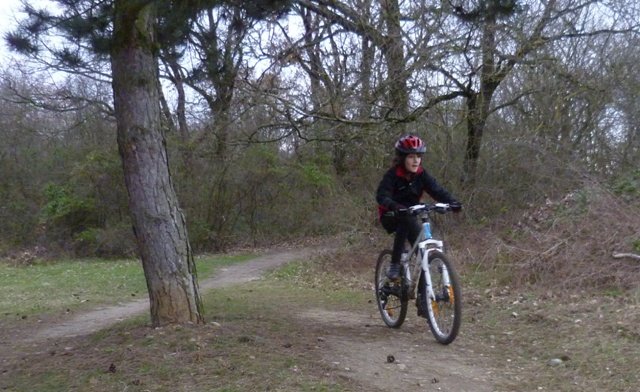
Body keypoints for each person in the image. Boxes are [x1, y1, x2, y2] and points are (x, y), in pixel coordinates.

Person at [376, 134, 461, 280]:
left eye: (418, 156)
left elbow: (437, 190)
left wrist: (452, 202)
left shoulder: (421, 174)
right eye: (411, 157)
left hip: (411, 212)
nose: (416, 161)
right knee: (405, 219)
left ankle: (423, 297)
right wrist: (394, 206)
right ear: (402, 158)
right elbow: (382, 196)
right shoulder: (393, 175)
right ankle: (395, 263)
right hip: (390, 214)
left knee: (421, 252)